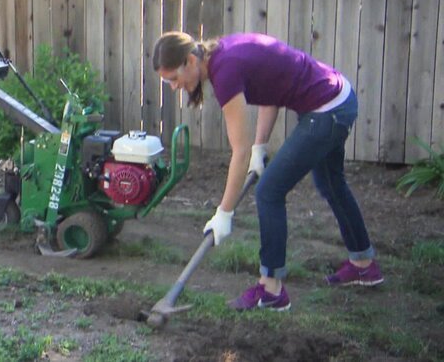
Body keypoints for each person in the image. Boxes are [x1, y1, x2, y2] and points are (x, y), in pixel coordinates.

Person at [152, 31, 384, 311]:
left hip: (327, 110)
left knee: (269, 192)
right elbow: (269, 91)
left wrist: (224, 213)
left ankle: (271, 289)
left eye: (173, 79)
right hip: (338, 97)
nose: (175, 86)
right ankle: (363, 265)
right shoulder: (223, 53)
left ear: (190, 60)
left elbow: (239, 150)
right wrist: (260, 149)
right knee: (330, 184)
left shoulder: (225, 70)